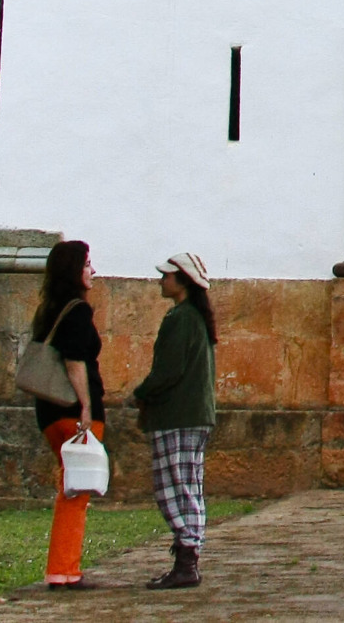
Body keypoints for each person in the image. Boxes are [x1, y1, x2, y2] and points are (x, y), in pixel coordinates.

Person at [132, 252, 218, 591]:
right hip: (194, 415)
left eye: (167, 276)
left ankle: (186, 558)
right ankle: (188, 555)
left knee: (174, 487)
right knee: (189, 485)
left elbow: (168, 371)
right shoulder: (194, 317)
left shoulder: (181, 318)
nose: (161, 281)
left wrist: (142, 391)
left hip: (178, 415)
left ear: (182, 282)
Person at [28, 239, 105, 591]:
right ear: (75, 269)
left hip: (48, 413)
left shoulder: (48, 310)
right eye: (87, 264)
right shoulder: (77, 311)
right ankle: (63, 569)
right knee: (76, 492)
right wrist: (86, 407)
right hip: (74, 411)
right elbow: (75, 362)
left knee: (68, 487)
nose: (92, 270)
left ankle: (63, 567)